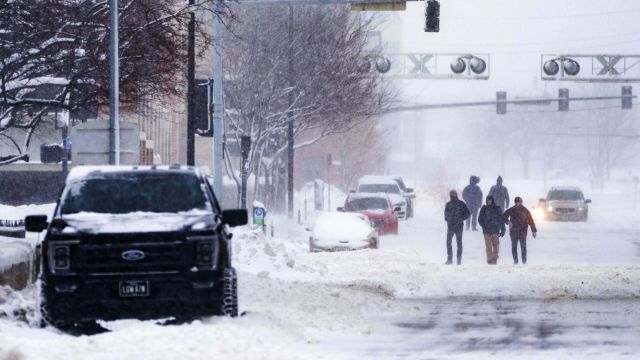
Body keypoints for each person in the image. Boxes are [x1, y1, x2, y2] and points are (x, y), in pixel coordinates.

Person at [502, 196, 537, 265]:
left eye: (519, 202)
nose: (518, 204)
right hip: (513, 232)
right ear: (515, 203)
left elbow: (531, 221)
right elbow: (503, 216)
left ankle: (524, 261)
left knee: (523, 247)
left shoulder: (525, 210)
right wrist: (508, 222)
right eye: (517, 202)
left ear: (521, 202)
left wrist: (534, 231)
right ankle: (515, 261)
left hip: (523, 232)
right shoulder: (511, 210)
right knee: (514, 247)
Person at [444, 190, 470, 265]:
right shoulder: (450, 204)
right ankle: (452, 259)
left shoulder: (460, 204)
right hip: (453, 226)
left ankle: (456, 260)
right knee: (452, 243)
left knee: (456, 243)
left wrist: (461, 218)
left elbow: (467, 213)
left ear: (456, 195)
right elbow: (445, 215)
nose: (452, 195)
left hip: (456, 226)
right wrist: (449, 219)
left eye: (453, 194)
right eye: (451, 194)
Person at [478, 195, 505, 265]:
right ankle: (489, 259)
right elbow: (480, 219)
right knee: (488, 246)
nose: (489, 201)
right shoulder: (484, 209)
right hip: (486, 231)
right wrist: (484, 226)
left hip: (495, 230)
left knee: (496, 246)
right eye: (487, 200)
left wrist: (503, 230)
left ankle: (494, 259)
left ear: (492, 201)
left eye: (490, 200)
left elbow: (501, 219)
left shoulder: (497, 209)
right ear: (486, 201)